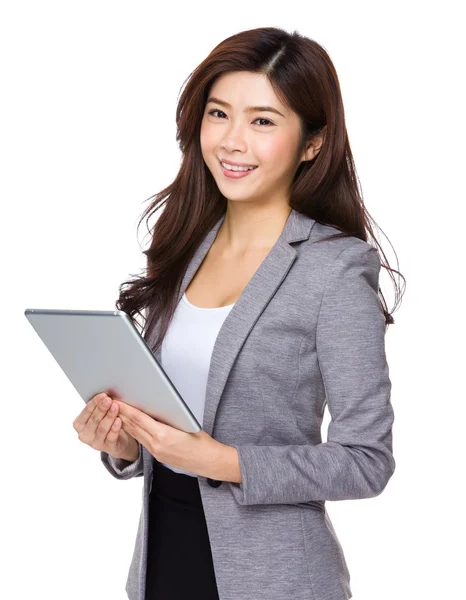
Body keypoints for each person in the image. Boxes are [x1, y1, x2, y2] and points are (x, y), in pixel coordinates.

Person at [72, 26, 404, 600]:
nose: (231, 141)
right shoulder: (182, 245)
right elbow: (166, 430)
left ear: (312, 143)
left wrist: (226, 461)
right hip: (161, 567)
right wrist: (124, 446)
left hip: (275, 579)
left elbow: (365, 461)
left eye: (263, 121)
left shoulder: (335, 270)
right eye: (219, 114)